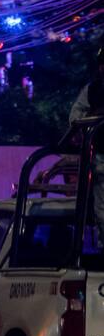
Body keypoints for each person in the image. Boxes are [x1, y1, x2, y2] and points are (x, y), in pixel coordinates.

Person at [69, 47, 104, 240]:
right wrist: (93, 119)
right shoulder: (93, 90)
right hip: (100, 157)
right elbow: (75, 119)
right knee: (101, 211)